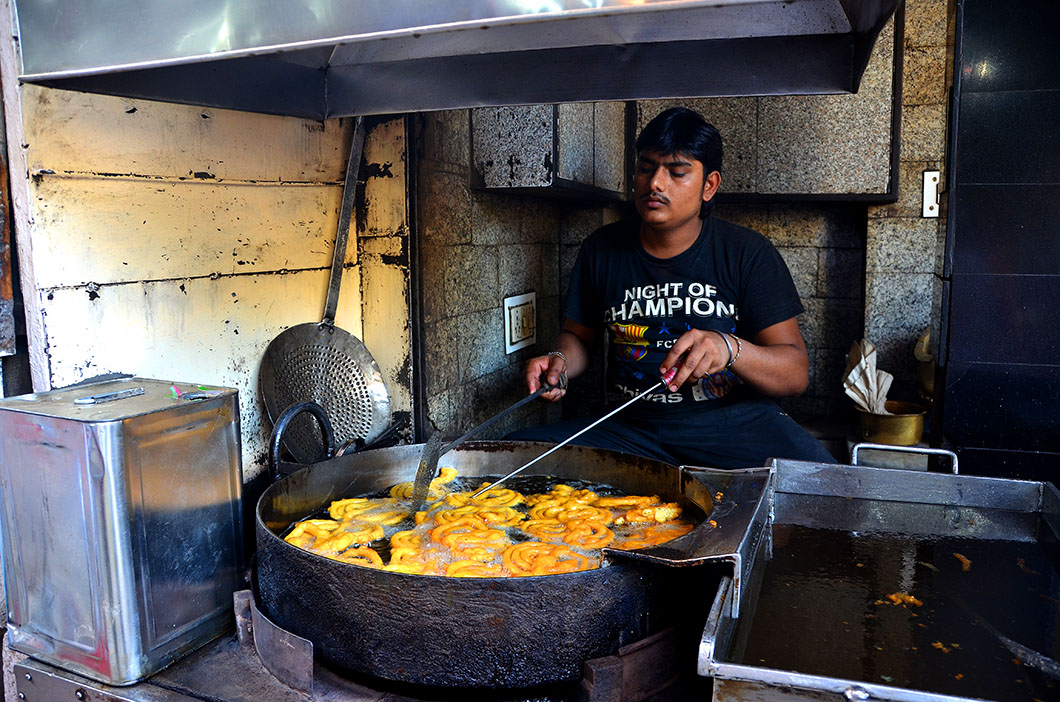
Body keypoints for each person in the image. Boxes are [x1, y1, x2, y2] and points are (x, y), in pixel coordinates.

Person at [506, 107, 836, 469]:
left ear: (709, 185)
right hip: (629, 428)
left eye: (677, 172)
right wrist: (561, 362)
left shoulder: (747, 252)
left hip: (730, 425)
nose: (655, 184)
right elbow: (578, 338)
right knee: (511, 458)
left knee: (823, 481)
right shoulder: (601, 248)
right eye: (646, 168)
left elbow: (794, 374)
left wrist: (729, 348)